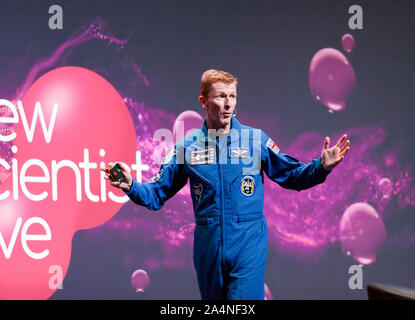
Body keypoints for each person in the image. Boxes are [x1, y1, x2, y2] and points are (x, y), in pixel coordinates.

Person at [101, 69, 350, 300]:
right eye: (221, 96)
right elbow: (157, 193)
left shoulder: (255, 140)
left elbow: (293, 175)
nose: (229, 103)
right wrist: (131, 184)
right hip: (208, 245)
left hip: (247, 242)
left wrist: (321, 166)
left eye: (233, 96)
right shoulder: (186, 148)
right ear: (203, 102)